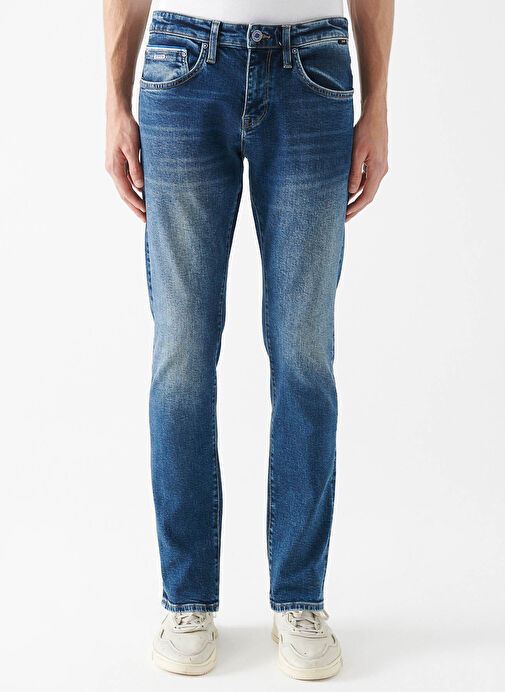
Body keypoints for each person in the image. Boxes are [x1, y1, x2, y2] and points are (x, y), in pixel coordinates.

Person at [104, 0, 393, 680]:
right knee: (181, 354)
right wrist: (114, 101)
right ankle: (186, 601)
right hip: (182, 66)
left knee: (304, 354)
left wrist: (377, 105)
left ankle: (300, 598)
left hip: (313, 69)